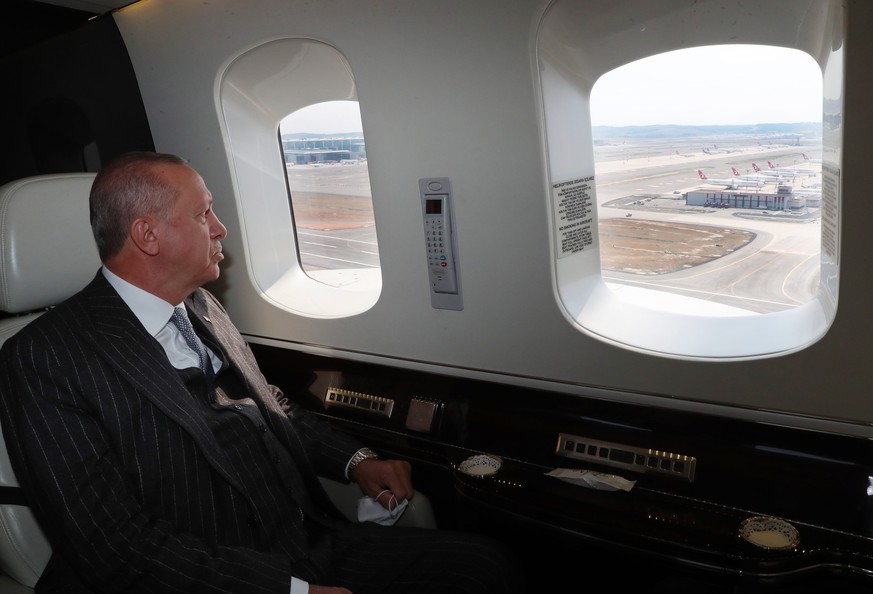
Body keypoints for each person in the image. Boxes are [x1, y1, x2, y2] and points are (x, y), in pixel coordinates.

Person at [0, 152, 524, 594]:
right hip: (213, 575)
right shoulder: (45, 359)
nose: (221, 227)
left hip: (305, 540)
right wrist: (292, 591)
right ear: (148, 235)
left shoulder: (200, 305)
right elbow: (114, 547)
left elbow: (268, 404)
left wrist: (355, 460)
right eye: (204, 213)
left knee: (485, 565)